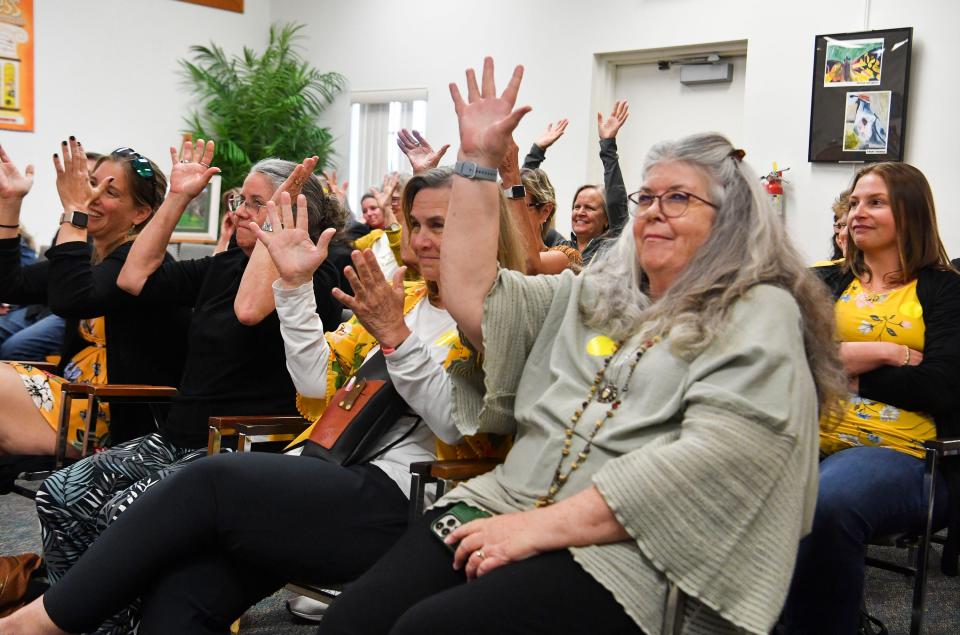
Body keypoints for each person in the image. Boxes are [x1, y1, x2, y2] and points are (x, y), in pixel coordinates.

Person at [315, 57, 845, 635]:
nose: (654, 213)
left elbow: (717, 460)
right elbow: (472, 294)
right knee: (353, 620)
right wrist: (476, 162)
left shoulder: (758, 307)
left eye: (679, 199)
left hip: (632, 550)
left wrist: (538, 529)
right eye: (647, 198)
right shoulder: (598, 294)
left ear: (733, 220)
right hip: (509, 500)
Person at [0, 166, 526, 635]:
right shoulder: (405, 299)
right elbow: (317, 386)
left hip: (404, 499)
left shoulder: (501, 312)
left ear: (482, 229)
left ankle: (42, 621)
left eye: (441, 225)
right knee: (181, 597)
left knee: (211, 478)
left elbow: (460, 426)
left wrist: (396, 338)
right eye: (417, 223)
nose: (425, 239)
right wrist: (295, 287)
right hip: (327, 469)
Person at [29, 147, 349, 635]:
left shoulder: (309, 275)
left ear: (292, 213)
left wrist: (277, 230)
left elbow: (249, 309)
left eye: (256, 202)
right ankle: (102, 623)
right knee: (58, 495)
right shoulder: (220, 268)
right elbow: (133, 276)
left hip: (235, 449)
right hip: (177, 438)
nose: (239, 209)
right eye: (242, 197)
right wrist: (177, 196)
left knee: (121, 512)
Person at [783, 162, 960, 634]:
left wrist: (839, 370)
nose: (857, 212)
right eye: (855, 201)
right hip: (810, 430)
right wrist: (889, 352)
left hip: (905, 452)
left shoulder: (945, 290)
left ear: (912, 212)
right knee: (723, 470)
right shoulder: (825, 281)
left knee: (827, 501)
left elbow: (940, 386)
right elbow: (787, 356)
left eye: (875, 202)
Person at [0, 140, 190, 456]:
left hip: (116, 417)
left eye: (110, 192)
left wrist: (75, 212)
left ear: (140, 213)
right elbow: (9, 284)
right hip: (74, 396)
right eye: (91, 184)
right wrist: (10, 202)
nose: (92, 196)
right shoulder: (93, 255)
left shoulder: (144, 263)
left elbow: (71, 299)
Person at [524, 102, 630, 264]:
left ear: (607, 219)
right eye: (577, 206)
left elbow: (616, 201)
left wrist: (608, 146)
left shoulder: (613, 247)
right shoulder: (557, 246)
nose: (580, 212)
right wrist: (536, 152)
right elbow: (522, 209)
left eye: (589, 208)